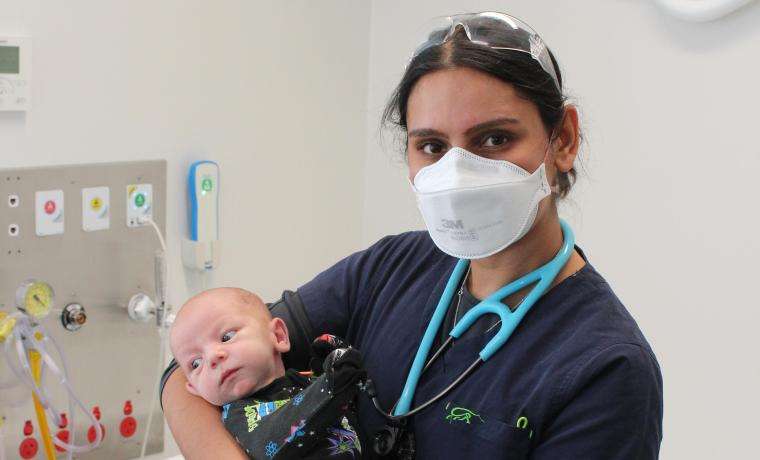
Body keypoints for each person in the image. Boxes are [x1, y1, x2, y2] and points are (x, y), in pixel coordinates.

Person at [161, 12, 663, 459]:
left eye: (495, 139)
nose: (459, 172)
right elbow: (186, 378)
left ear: (564, 139)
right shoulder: (392, 269)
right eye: (432, 145)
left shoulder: (606, 369)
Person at [169, 288, 362, 458]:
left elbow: (349, 403)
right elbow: (273, 441)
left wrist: (330, 363)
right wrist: (332, 384)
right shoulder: (239, 415)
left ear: (278, 336)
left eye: (226, 337)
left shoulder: (302, 382)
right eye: (195, 363)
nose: (212, 357)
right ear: (194, 388)